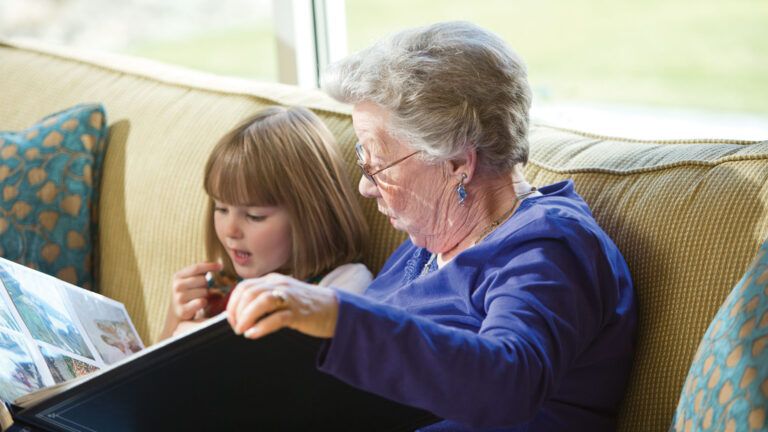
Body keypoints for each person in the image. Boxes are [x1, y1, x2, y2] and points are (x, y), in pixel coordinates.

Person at [225, 21, 637, 431]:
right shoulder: (426, 242)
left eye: (377, 164)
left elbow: (508, 382)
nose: (365, 187)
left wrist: (336, 315)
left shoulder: (548, 247)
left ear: (457, 161)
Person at [160, 106, 372, 339]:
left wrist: (198, 338)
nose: (230, 231)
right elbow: (150, 373)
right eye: (221, 208)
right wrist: (176, 316)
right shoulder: (217, 286)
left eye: (254, 216)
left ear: (311, 214)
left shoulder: (341, 285)